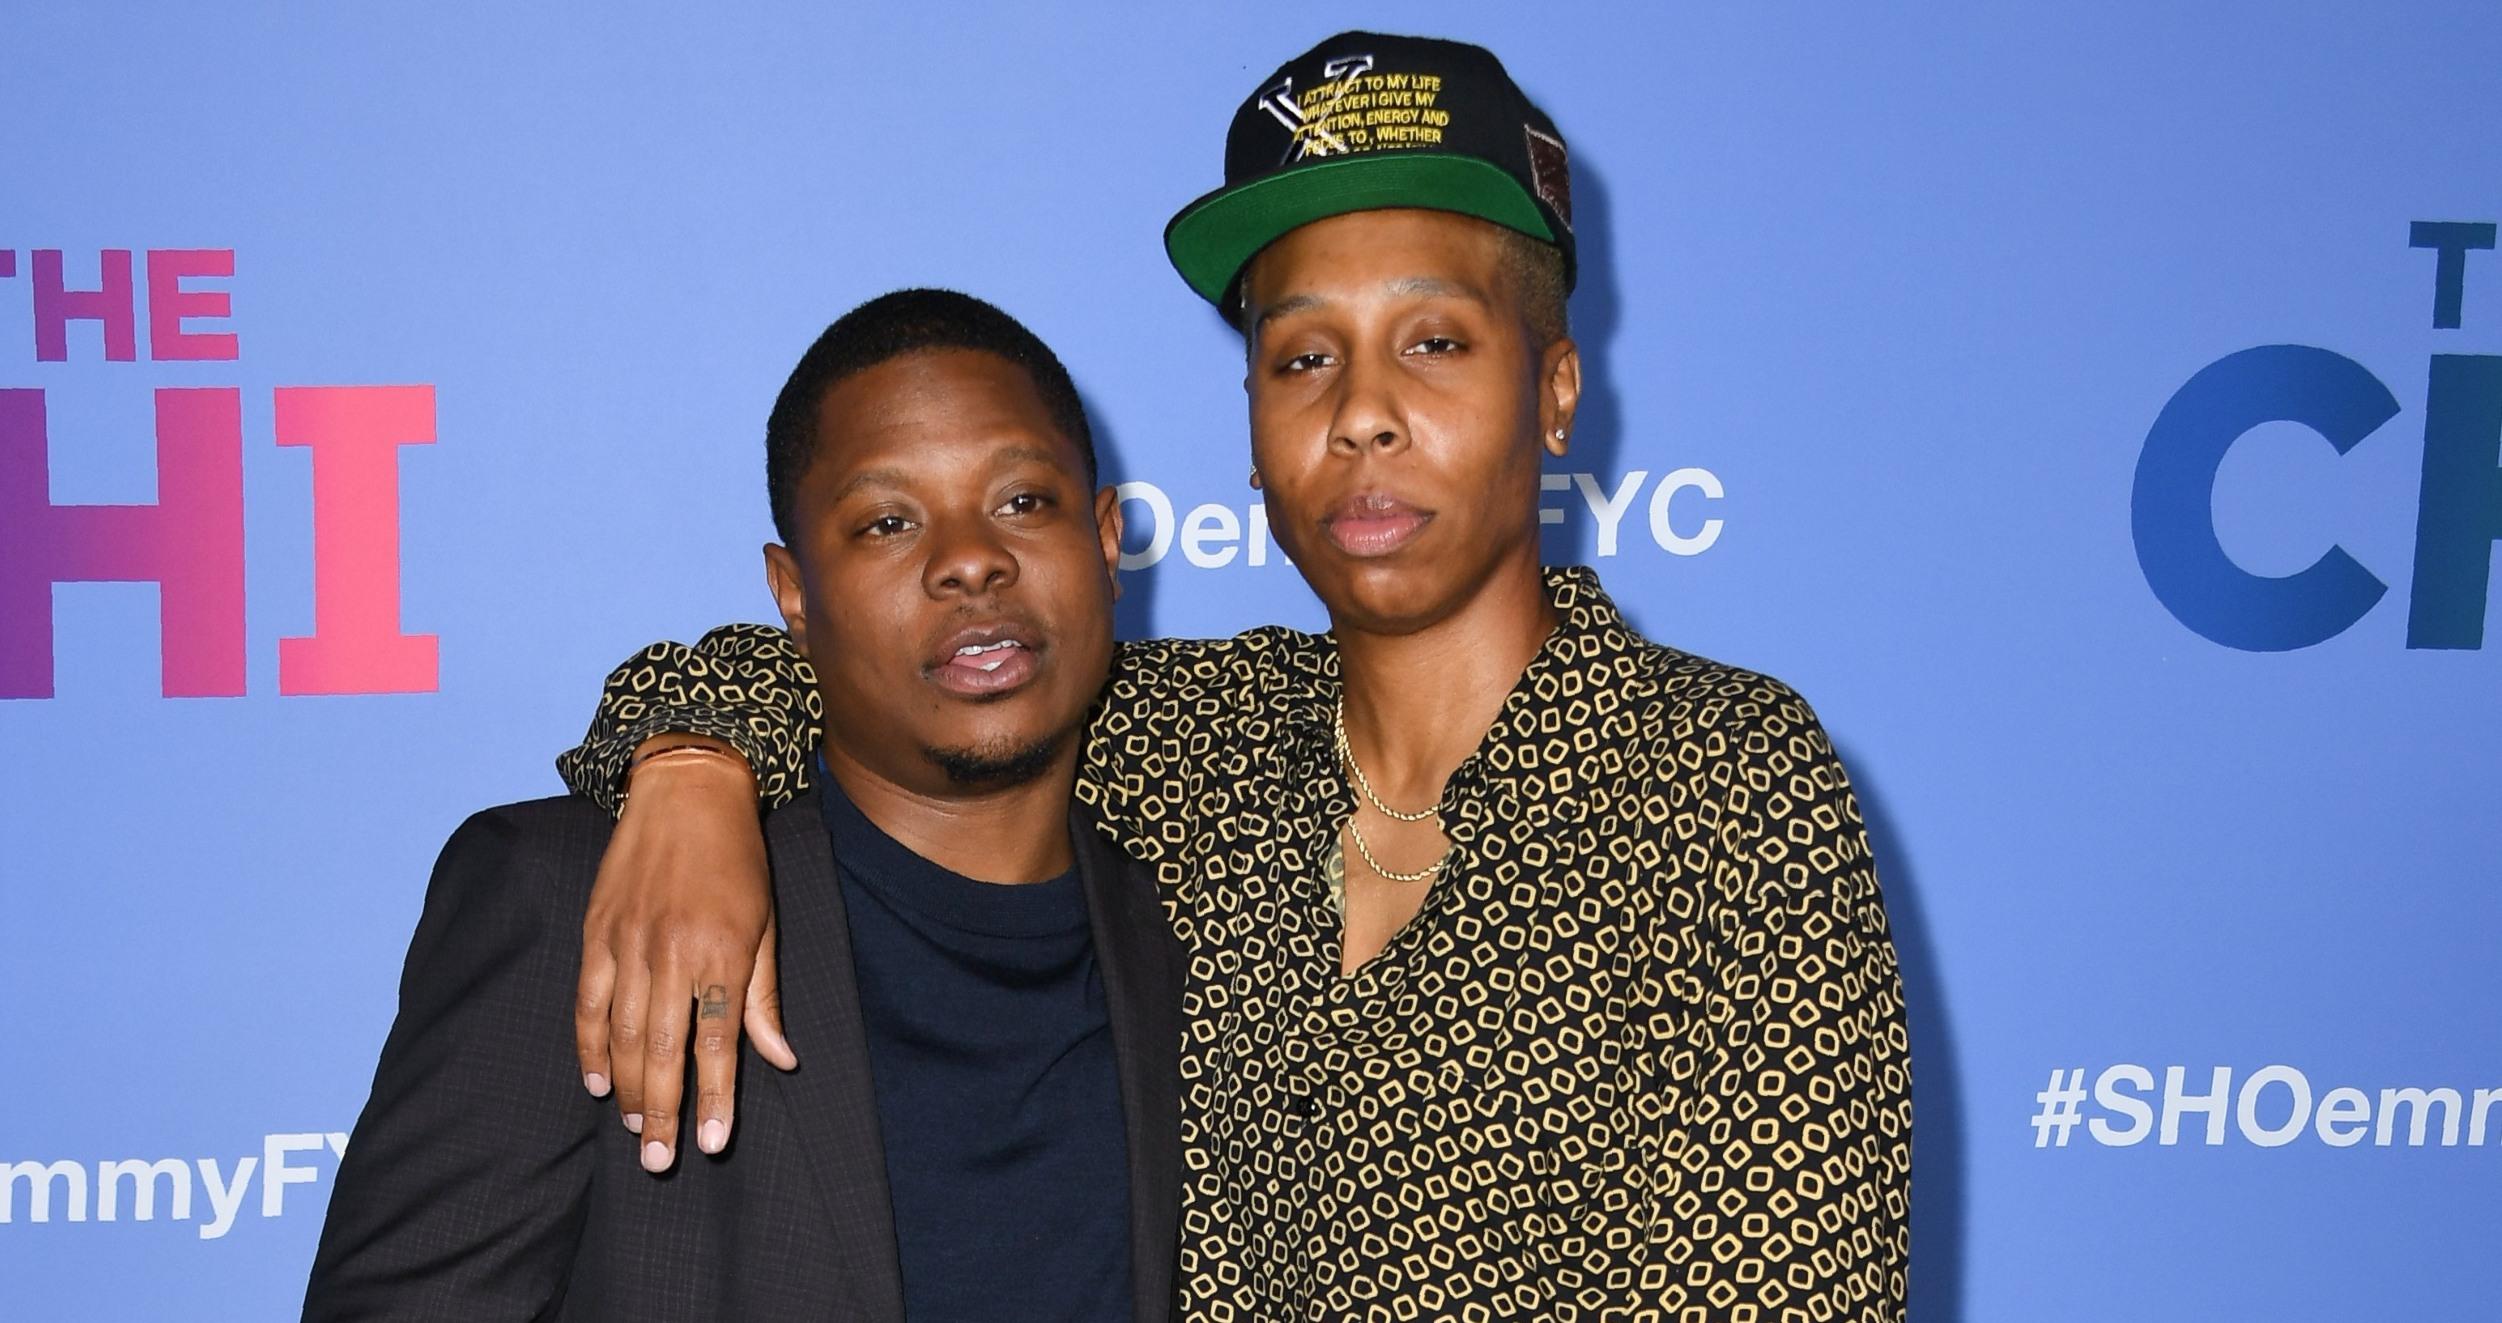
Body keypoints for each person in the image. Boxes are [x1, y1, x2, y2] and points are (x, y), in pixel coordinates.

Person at [559, 32, 1912, 1321]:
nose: (1360, 411)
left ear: (1552, 388)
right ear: (1255, 427)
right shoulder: (1196, 741)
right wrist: (691, 768)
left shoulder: (1723, 782)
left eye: (1433, 341)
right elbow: (873, 670)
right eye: (1301, 356)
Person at [303, 291, 1183, 1323]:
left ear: (1107, 538)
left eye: (1023, 501)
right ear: (794, 594)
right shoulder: (578, 899)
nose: (968, 559)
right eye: (888, 521)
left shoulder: (1209, 909)